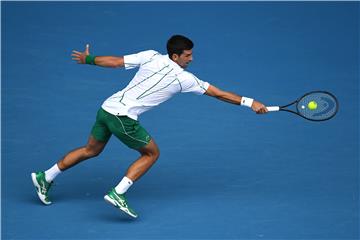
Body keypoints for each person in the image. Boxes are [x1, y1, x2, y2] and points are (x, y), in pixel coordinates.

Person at [31, 35, 268, 218]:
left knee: (91, 150)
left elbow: (115, 62)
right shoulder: (184, 79)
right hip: (123, 118)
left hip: (106, 109)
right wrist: (250, 102)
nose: (191, 59)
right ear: (176, 57)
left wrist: (88, 59)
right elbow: (218, 94)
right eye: (187, 55)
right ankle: (118, 193)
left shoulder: (151, 55)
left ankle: (46, 176)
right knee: (151, 153)